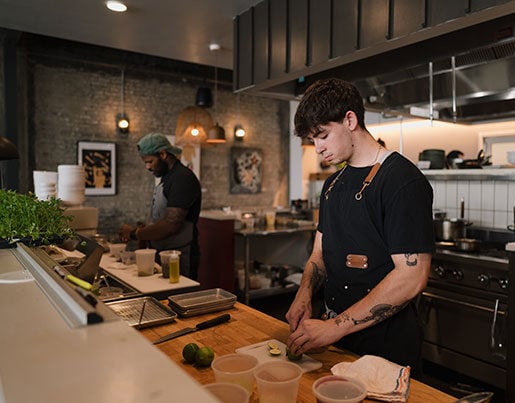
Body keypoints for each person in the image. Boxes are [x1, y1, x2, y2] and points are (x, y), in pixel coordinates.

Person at [285, 78, 434, 374]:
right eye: (313, 140)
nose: (318, 149)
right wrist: (304, 293)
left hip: (385, 346)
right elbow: (319, 254)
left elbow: (412, 277)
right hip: (334, 339)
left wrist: (334, 327)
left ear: (350, 120)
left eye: (323, 136)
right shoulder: (332, 184)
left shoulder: (403, 181)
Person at [119, 133, 202, 280]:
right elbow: (163, 216)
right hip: (163, 251)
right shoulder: (168, 177)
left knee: (177, 298)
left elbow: (171, 224)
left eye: (150, 161)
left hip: (180, 256)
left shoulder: (182, 178)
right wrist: (145, 230)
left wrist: (135, 233)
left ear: (163, 154)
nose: (148, 167)